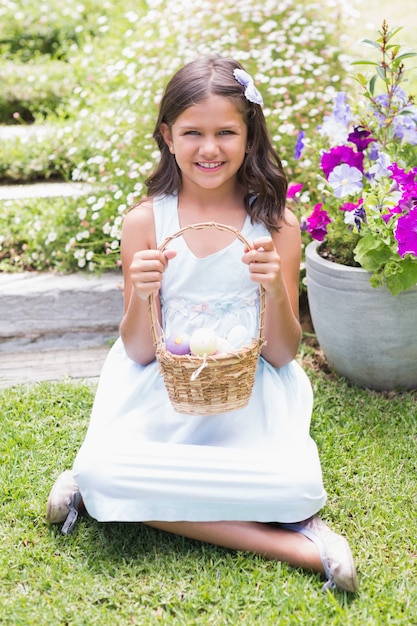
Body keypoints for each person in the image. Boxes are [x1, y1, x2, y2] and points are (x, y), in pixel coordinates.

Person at [46, 57, 358, 593]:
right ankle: (299, 546)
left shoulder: (275, 226)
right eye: (192, 132)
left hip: (247, 399)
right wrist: (144, 294)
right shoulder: (146, 222)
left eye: (225, 132)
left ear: (249, 135)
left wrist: (272, 291)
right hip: (160, 396)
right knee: (104, 473)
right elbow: (140, 352)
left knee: (301, 485)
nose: (209, 148)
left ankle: (111, 499)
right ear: (168, 137)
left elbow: (282, 354)